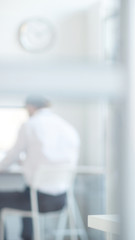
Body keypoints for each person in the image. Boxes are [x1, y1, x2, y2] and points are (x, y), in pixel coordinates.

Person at [0, 95, 80, 240]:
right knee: (27, 190)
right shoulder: (67, 127)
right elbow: (51, 160)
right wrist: (25, 163)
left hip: (38, 200)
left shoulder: (30, 125)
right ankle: (27, 236)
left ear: (30, 106)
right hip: (61, 200)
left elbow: (11, 157)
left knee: (22, 193)